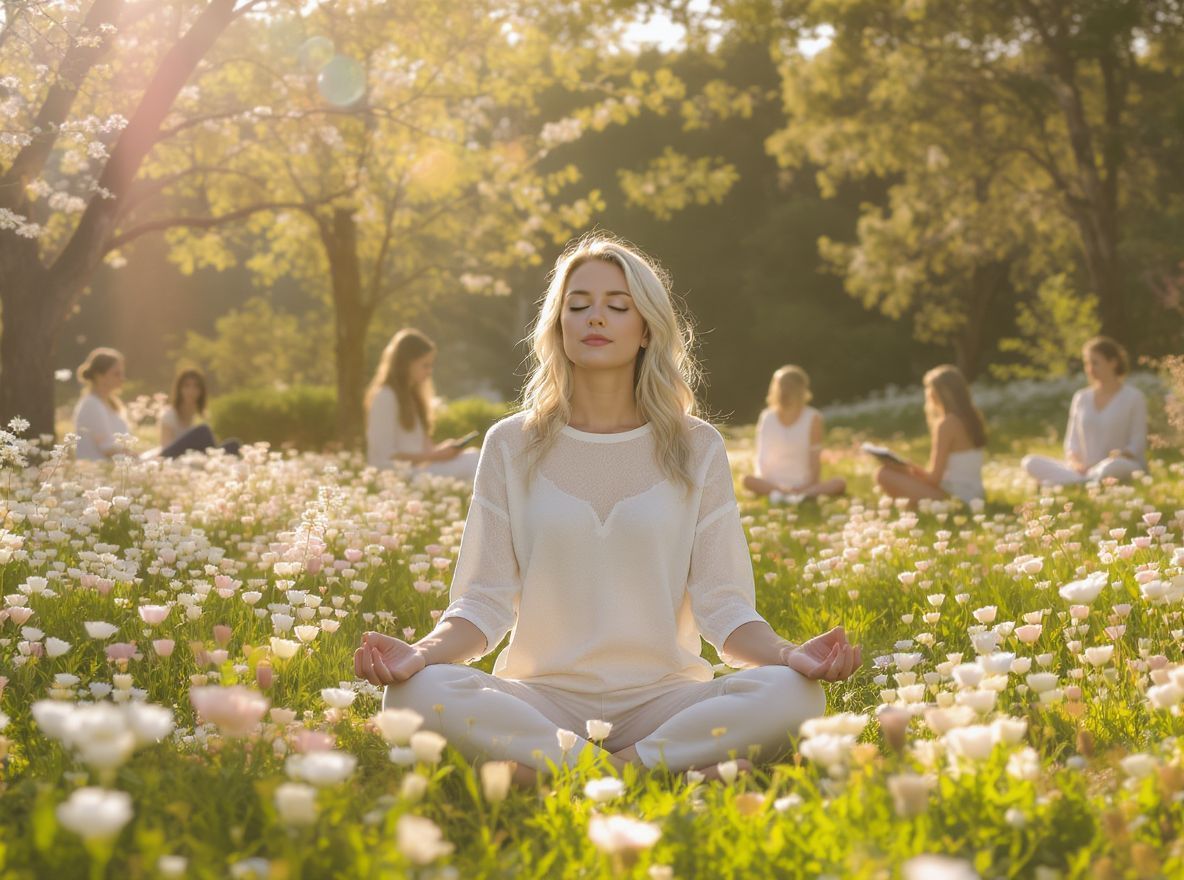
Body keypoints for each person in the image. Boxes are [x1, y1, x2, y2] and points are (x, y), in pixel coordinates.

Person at [354, 234, 861, 784]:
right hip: (541, 700)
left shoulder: (698, 448)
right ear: (559, 326)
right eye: (578, 306)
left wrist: (791, 657)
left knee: (795, 695)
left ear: (646, 329)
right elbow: (482, 603)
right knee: (415, 693)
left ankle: (572, 775)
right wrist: (419, 655)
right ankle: (658, 772)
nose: (596, 317)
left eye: (617, 306)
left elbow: (725, 608)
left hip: (666, 700)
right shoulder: (509, 445)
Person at [1022, 336, 1148, 486]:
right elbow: (1071, 442)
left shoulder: (1133, 397)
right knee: (1029, 462)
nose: (1090, 369)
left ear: (1113, 362)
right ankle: (1085, 481)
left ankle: (1059, 483)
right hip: (1083, 469)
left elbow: (1137, 443)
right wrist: (1076, 464)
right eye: (1087, 363)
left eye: (1095, 363)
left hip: (1121, 464)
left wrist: (1119, 455)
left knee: (1110, 467)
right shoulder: (1081, 397)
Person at [364, 329, 479, 482]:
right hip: (397, 477)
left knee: (474, 456)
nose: (429, 371)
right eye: (425, 365)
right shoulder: (385, 397)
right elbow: (385, 456)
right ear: (406, 364)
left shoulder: (412, 398)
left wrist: (442, 451)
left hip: (417, 471)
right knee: (474, 462)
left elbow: (425, 452)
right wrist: (435, 456)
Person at [874, 364, 986, 506]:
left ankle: (913, 507)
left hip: (956, 499)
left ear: (937, 394)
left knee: (884, 474)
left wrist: (905, 466)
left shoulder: (947, 424)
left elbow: (934, 479)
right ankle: (912, 506)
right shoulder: (972, 418)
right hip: (975, 495)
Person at [743, 365, 846, 503]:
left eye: (789, 386)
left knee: (840, 483)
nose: (785, 390)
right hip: (771, 483)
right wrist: (773, 485)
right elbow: (762, 458)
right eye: (782, 386)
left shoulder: (813, 417)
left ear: (799, 389)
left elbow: (814, 460)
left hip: (803, 484)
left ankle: (796, 495)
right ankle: (789, 495)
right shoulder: (767, 417)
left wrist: (808, 485)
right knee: (747, 480)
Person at [152, 368, 240, 458]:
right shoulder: (169, 416)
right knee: (203, 430)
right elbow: (166, 453)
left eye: (196, 386)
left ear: (201, 391)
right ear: (179, 389)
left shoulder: (202, 416)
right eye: (186, 386)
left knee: (233, 444)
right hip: (175, 459)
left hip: (199, 457)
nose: (191, 390)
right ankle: (215, 461)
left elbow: (209, 446)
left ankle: (215, 462)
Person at [73, 348, 131, 461]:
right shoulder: (91, 405)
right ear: (99, 375)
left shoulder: (111, 403)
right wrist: (138, 458)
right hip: (100, 472)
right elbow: (107, 448)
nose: (122, 378)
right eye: (116, 374)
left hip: (118, 467)